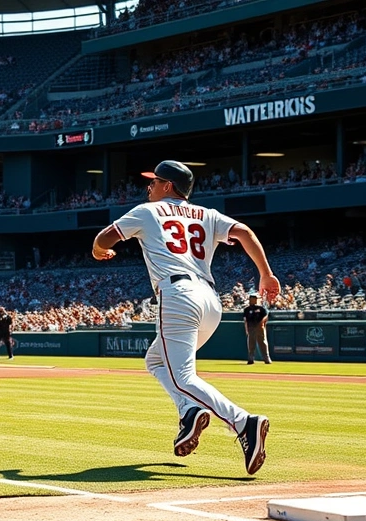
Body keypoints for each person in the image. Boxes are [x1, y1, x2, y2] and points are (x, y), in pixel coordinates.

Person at [92, 160, 279, 475]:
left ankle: (244, 422)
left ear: (167, 186)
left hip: (177, 296)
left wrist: (98, 250)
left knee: (183, 377)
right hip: (209, 301)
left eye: (154, 182)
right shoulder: (207, 214)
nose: (149, 187)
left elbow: (106, 237)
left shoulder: (147, 211)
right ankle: (189, 410)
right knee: (155, 361)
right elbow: (244, 232)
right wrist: (266, 274)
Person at [243, 292, 271, 365]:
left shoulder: (261, 308)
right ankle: (251, 359)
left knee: (262, 343)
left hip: (259, 327)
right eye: (251, 299)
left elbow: (266, 316)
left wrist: (262, 323)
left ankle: (266, 358)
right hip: (251, 327)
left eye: (254, 299)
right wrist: (246, 329)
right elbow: (245, 320)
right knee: (251, 344)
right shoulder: (247, 309)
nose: (252, 300)